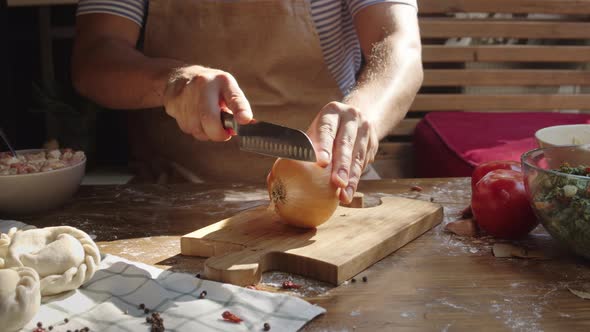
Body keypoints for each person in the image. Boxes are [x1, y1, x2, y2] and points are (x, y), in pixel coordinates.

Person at [71, 0, 423, 204]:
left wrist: (363, 112)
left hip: (333, 190)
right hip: (171, 196)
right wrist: (172, 82)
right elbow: (95, 57)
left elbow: (398, 43)